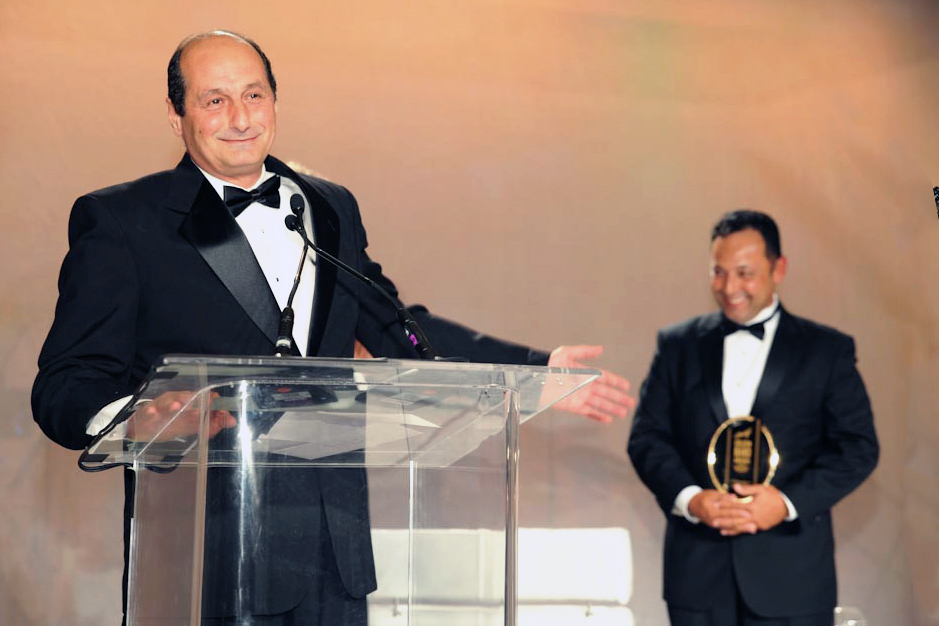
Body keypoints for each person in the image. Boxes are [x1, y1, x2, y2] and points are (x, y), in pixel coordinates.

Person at [31, 30, 635, 625]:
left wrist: (538, 369)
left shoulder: (327, 205)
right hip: (204, 551)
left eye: (255, 95)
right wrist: (141, 418)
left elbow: (395, 326)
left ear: (276, 101)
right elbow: (66, 383)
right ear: (175, 114)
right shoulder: (121, 219)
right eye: (215, 100)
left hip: (335, 548)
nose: (240, 117)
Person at [627, 210, 878, 626]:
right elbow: (647, 439)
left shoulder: (826, 350)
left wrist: (785, 503)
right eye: (718, 272)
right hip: (697, 577)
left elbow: (858, 447)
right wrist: (693, 500)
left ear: (779, 268)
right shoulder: (677, 345)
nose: (729, 288)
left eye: (745, 272)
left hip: (793, 578)